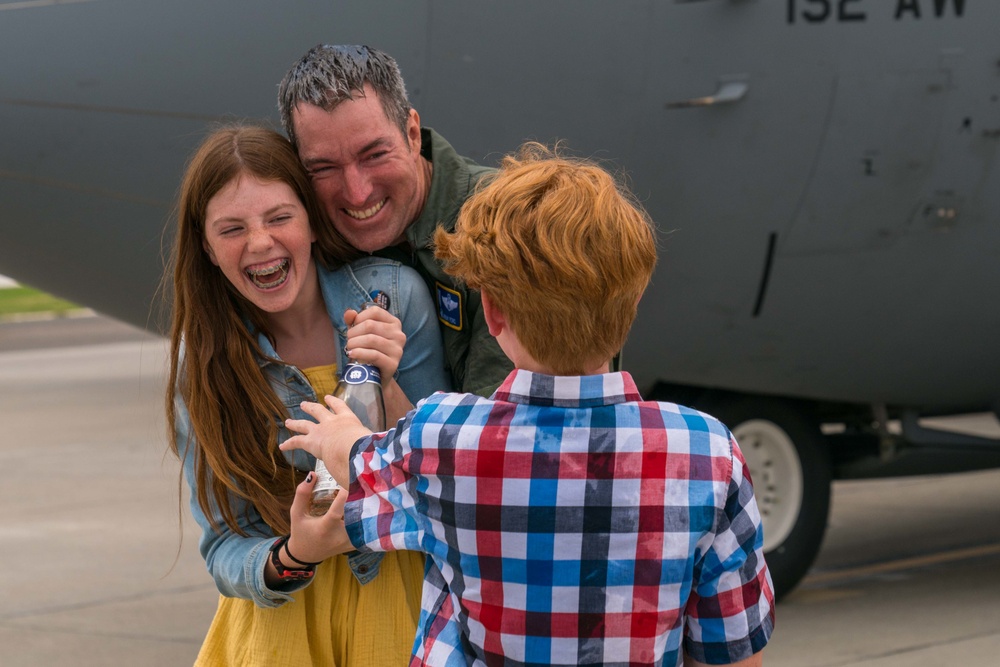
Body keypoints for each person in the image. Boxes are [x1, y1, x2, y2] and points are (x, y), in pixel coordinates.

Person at [280, 144, 775, 666]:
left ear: (491, 313)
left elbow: (358, 460)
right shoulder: (708, 453)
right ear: (633, 302)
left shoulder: (443, 437)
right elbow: (732, 651)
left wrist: (333, 434)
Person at [165, 125, 451, 666]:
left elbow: (440, 478)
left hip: (401, 606)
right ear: (205, 245)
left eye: (279, 217)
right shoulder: (200, 368)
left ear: (312, 223)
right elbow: (225, 542)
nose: (260, 243)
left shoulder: (395, 298)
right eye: (232, 228)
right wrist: (296, 555)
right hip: (283, 629)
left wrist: (387, 385)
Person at [278, 44, 514, 398]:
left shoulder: (512, 226)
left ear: (413, 134)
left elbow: (508, 434)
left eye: (374, 154)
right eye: (324, 167)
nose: (357, 194)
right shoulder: (301, 235)